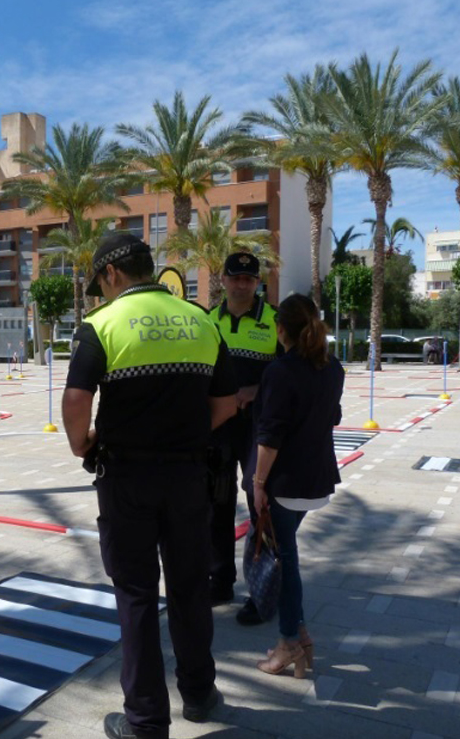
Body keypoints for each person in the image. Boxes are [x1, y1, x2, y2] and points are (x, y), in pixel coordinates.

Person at [62, 233, 238, 739]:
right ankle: (200, 694)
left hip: (127, 479)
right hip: (188, 476)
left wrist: (83, 443)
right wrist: (187, 434)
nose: (99, 292)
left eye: (99, 283)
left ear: (112, 274)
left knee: (137, 594)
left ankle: (145, 723)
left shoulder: (102, 325)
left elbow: (76, 401)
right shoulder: (200, 320)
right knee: (188, 588)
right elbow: (227, 403)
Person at [247, 294, 344, 678]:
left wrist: (257, 483)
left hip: (285, 482)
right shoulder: (332, 367)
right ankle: (299, 638)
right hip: (317, 479)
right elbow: (332, 415)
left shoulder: (280, 371)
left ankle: (289, 642)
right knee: (288, 556)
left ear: (280, 329)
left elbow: (270, 437)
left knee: (286, 562)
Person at [206, 252, 281, 625]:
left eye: (248, 279)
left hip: (257, 428)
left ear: (257, 283)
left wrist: (255, 389)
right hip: (218, 428)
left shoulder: (274, 320)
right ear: (222, 279)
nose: (241, 284)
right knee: (217, 505)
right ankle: (220, 582)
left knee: (259, 503)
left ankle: (262, 591)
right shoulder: (206, 321)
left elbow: (291, 373)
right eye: (235, 277)